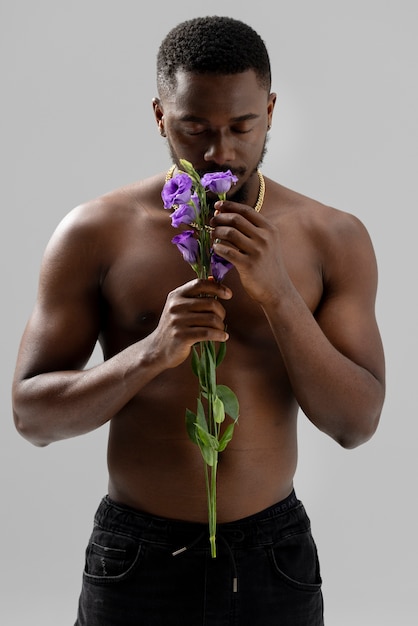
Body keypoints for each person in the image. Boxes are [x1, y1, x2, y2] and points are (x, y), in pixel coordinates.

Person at [12, 15, 385, 626]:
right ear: (161, 116)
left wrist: (281, 297)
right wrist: (152, 351)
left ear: (270, 110)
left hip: (273, 558)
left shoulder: (332, 237)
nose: (222, 153)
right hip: (137, 557)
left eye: (243, 126)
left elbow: (357, 424)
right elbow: (32, 418)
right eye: (195, 128)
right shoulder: (95, 233)